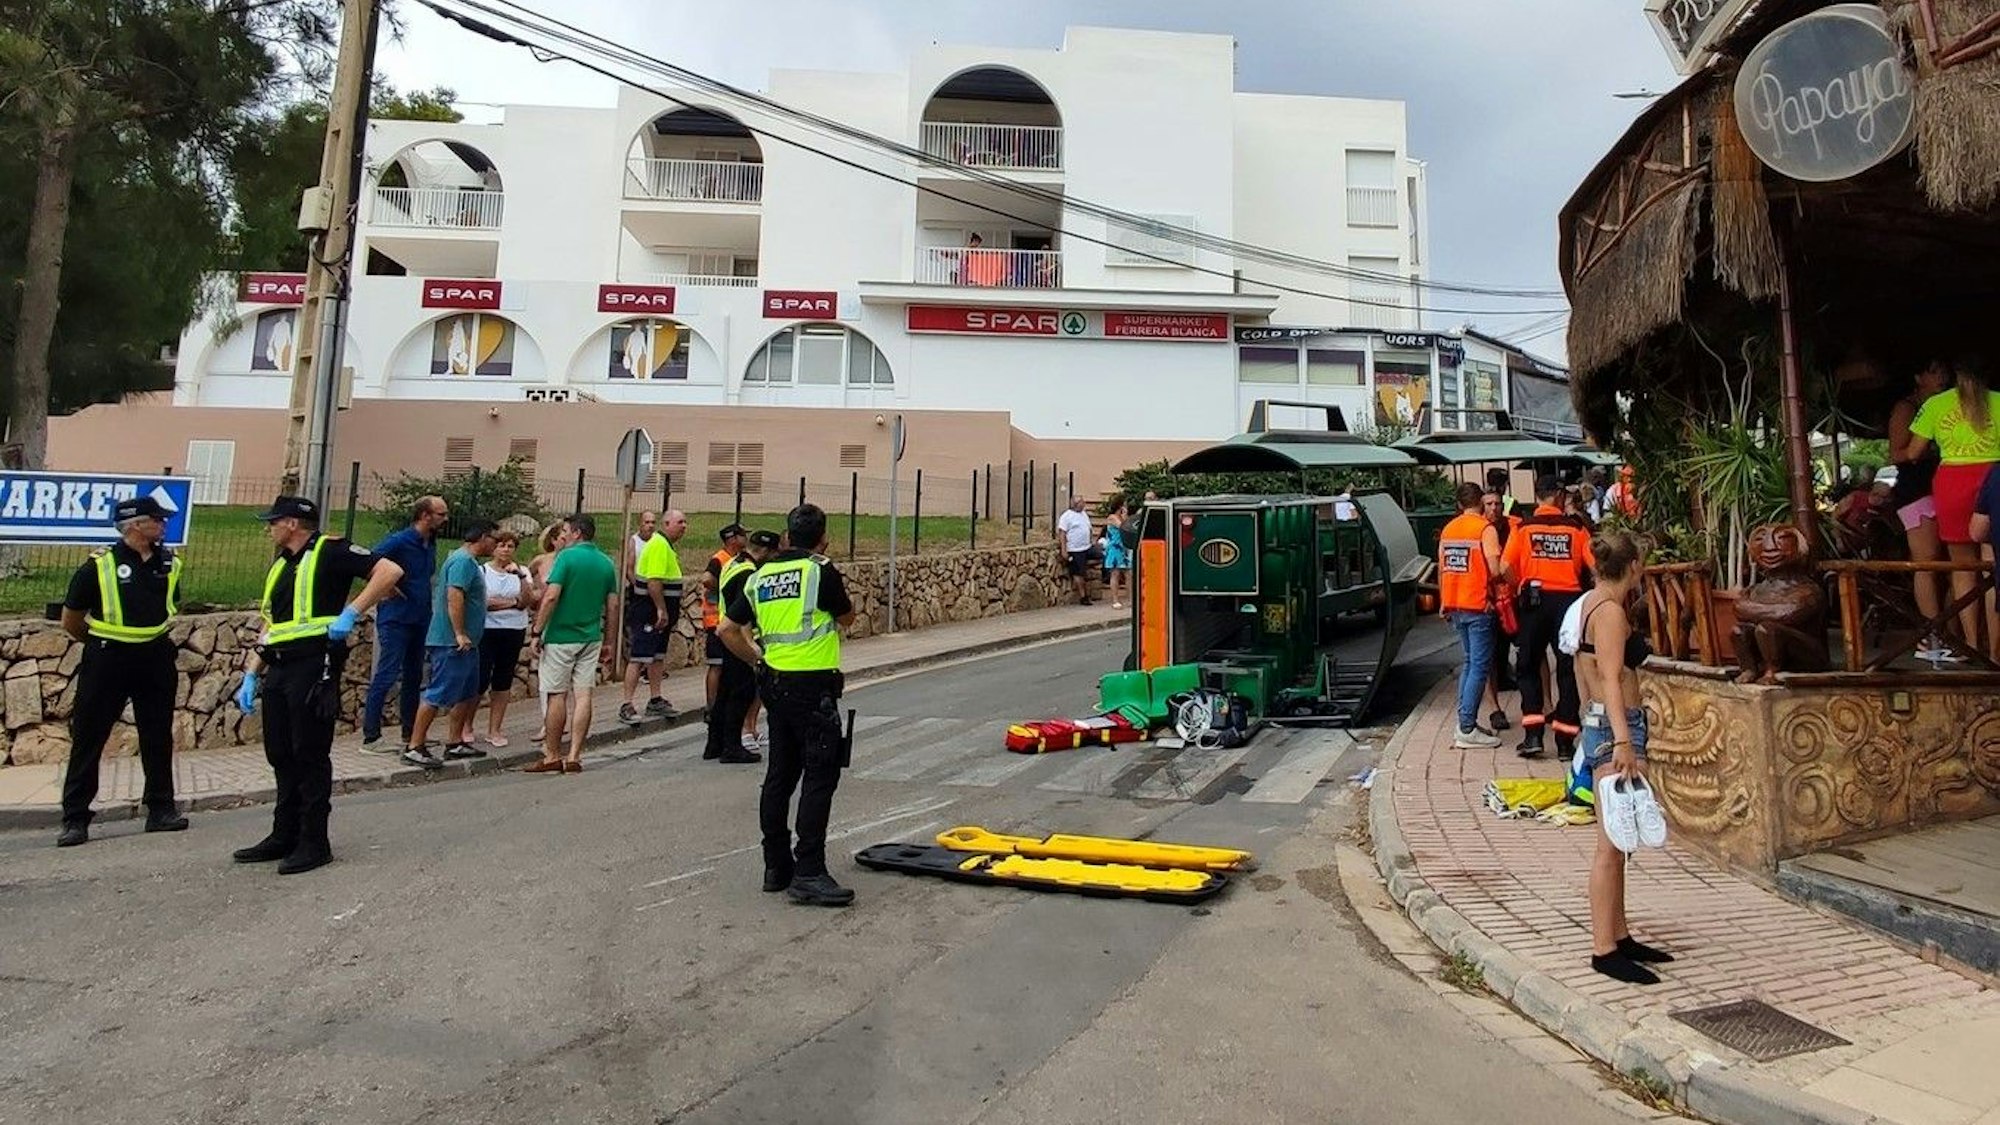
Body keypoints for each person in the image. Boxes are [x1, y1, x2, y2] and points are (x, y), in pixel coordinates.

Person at [232, 495, 404, 875]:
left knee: (308, 752)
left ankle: (314, 841)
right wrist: (250, 672)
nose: (269, 528)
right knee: (280, 752)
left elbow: (389, 571)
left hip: (315, 664)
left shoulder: (331, 550)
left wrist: (351, 611)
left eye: (274, 521)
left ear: (292, 523)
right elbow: (272, 625)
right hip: (279, 665)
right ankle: (284, 833)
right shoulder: (282, 565)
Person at [719, 504, 858, 907]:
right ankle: (810, 870)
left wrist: (757, 659)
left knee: (780, 774)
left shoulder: (761, 574)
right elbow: (846, 618)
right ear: (823, 537)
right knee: (820, 776)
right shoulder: (820, 570)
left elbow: (728, 629)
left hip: (776, 684)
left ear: (785, 536)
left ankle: (775, 866)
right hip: (813, 687)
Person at [55, 496, 187, 847]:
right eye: (157, 520)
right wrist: (101, 641)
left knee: (157, 735)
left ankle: (161, 809)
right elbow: (71, 619)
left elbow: (171, 607)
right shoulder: (98, 567)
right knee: (89, 736)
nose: (163, 526)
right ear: (134, 525)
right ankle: (75, 817)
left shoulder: (170, 564)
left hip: (155, 656)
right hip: (108, 657)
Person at [1573, 529, 1673, 986]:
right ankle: (1602, 948)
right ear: (1634, 567)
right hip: (1615, 730)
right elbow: (1611, 678)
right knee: (1610, 846)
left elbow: (1584, 672)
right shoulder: (1610, 613)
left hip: (1603, 724)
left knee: (1620, 838)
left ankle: (1619, 933)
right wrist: (1622, 741)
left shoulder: (1590, 602)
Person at [1902, 358, 2000, 651]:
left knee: (1962, 567)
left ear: (1955, 376)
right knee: (1993, 565)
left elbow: (1913, 452)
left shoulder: (1934, 405)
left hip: (1952, 482)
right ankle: (1995, 651)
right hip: (1994, 477)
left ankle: (1971, 645)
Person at [1504, 474, 1596, 760]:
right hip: (1567, 603)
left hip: (1533, 600)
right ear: (1558, 496)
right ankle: (1565, 743)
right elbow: (1594, 567)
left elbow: (1504, 567)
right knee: (1567, 671)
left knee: (1528, 665)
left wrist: (1521, 582)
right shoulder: (1576, 528)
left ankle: (1533, 736)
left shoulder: (1523, 528)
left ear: (1538, 496)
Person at [526, 514, 620, 774]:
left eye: (566, 530)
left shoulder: (566, 558)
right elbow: (612, 604)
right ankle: (575, 754)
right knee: (584, 694)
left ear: (577, 533)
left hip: (560, 636)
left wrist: (537, 630)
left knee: (557, 695)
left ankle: (553, 755)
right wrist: (609, 641)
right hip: (590, 637)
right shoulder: (605, 562)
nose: (563, 535)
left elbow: (551, 596)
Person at [402, 521, 498, 768]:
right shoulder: (463, 562)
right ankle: (415, 745)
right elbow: (454, 595)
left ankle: (455, 742)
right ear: (483, 537)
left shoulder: (469, 562)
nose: (496, 545)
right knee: (438, 692)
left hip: (469, 641)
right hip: (451, 641)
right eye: (494, 540)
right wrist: (458, 633)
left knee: (467, 692)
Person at [362, 495, 448, 751]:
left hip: (420, 616)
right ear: (425, 516)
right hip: (396, 618)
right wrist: (386, 588)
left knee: (414, 675)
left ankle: (411, 732)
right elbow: (368, 562)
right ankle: (371, 736)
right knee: (387, 674)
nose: (445, 519)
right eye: (441, 514)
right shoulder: (399, 541)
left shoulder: (429, 543)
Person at [1437, 482, 1506, 749]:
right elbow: (1495, 568)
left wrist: (1444, 601)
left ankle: (1465, 722)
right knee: (1479, 665)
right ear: (1480, 503)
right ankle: (1466, 728)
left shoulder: (1449, 529)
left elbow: (1443, 567)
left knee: (1468, 663)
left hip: (1455, 605)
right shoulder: (1484, 529)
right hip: (1479, 605)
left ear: (1458, 504)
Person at [1890, 361, 1951, 658]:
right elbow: (1896, 453)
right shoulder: (1908, 407)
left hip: (1946, 488)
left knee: (1956, 562)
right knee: (1926, 561)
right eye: (1933, 371)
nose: (1941, 376)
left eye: (1944, 371)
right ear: (1918, 376)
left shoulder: (1949, 404)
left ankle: (1953, 632)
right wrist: (1925, 448)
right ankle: (1931, 636)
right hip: (1917, 490)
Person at [705, 529, 780, 765]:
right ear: (767, 551)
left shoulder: (733, 563)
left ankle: (714, 744)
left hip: (724, 634)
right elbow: (743, 614)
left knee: (725, 692)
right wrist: (751, 649)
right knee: (742, 692)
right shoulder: (749, 573)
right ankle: (732, 746)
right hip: (735, 637)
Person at [621, 508, 685, 723]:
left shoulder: (664, 545)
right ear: (666, 524)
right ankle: (627, 704)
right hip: (649, 612)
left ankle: (655, 699)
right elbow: (654, 581)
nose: (684, 526)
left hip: (657, 613)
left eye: (685, 522)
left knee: (657, 656)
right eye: (680, 522)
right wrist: (661, 609)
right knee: (640, 656)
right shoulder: (658, 545)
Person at [478, 529, 536, 748]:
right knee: (480, 678)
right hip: (487, 629)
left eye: (510, 546)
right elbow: (484, 602)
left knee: (503, 680)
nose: (505, 550)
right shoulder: (482, 570)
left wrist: (520, 578)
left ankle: (495, 729)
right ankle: (466, 726)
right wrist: (512, 603)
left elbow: (528, 600)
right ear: (494, 548)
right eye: (501, 545)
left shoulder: (521, 572)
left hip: (513, 629)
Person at [703, 522, 749, 726]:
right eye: (742, 535)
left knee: (724, 666)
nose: (745, 539)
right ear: (732, 539)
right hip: (715, 621)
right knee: (716, 665)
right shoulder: (719, 559)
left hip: (726, 620)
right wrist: (723, 586)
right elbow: (706, 579)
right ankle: (711, 707)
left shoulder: (734, 559)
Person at [524, 522, 565, 745]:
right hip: (544, 617)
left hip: (564, 619)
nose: (564, 541)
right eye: (560, 537)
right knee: (545, 675)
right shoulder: (541, 561)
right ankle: (546, 721)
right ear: (553, 540)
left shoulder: (571, 560)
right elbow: (526, 579)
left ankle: (558, 720)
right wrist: (533, 593)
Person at [1056, 496, 1095, 606]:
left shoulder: (1083, 514)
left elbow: (1089, 528)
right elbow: (1062, 533)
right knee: (1078, 573)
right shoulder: (1066, 516)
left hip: (1086, 546)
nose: (1084, 504)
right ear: (1076, 504)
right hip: (1075, 549)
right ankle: (1083, 596)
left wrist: (1091, 540)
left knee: (1102, 554)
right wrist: (1064, 550)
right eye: (1082, 502)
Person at [1102, 500, 1132, 609]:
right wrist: (1124, 516)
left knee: (1128, 573)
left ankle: (1131, 599)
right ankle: (1115, 600)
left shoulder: (1123, 517)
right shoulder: (1112, 517)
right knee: (1115, 573)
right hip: (1115, 548)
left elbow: (1129, 528)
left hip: (1124, 548)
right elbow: (1123, 527)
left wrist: (1125, 516)